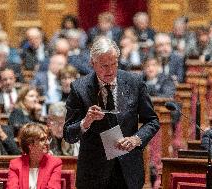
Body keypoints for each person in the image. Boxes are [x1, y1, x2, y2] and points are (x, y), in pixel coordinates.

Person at [63, 36, 160, 189]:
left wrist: (136, 139)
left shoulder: (135, 82)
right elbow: (68, 134)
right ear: (92, 63)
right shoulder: (79, 88)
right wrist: (85, 122)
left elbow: (152, 121)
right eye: (104, 66)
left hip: (128, 171)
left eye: (113, 64)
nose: (110, 71)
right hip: (93, 173)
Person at [7, 122, 62, 189]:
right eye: (42, 140)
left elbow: (53, 187)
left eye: (47, 139)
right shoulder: (15, 165)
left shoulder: (54, 163)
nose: (47, 143)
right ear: (30, 144)